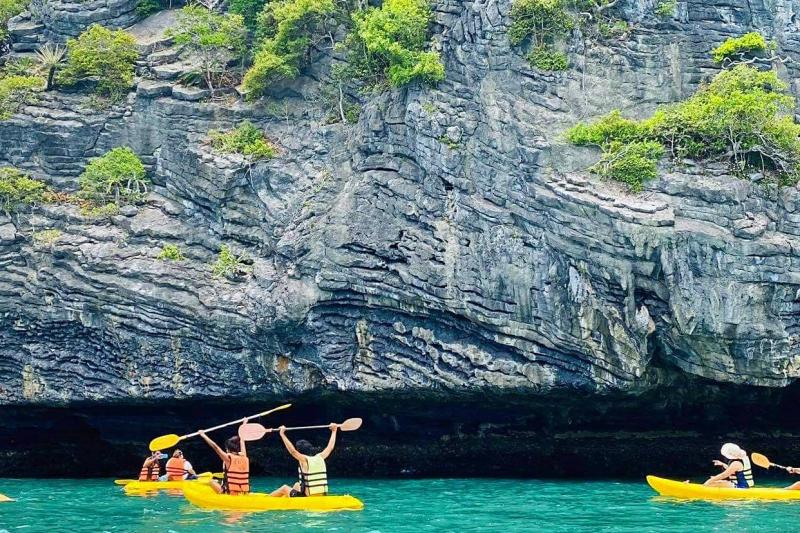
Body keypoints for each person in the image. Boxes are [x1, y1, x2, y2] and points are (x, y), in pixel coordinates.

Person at [271, 423, 338, 497]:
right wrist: (334, 431)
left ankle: (266, 500)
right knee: (297, 485)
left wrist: (282, 434)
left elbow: (292, 451)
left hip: (307, 497)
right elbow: (330, 447)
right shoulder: (321, 457)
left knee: (284, 488)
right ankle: (285, 500)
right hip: (322, 495)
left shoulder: (304, 460)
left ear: (299, 451)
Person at [199, 425, 249, 495]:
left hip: (229, 493)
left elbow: (215, 447)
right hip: (244, 493)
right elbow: (242, 441)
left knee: (210, 481)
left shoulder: (228, 459)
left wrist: (203, 435)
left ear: (228, 449)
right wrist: (243, 425)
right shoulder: (244, 457)